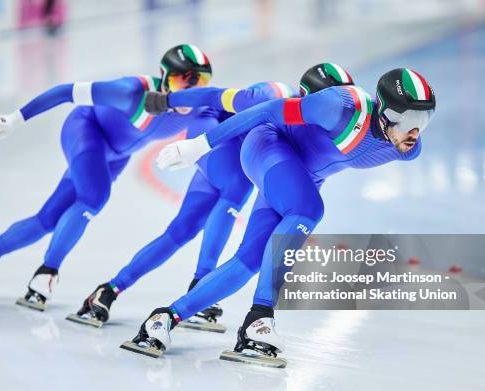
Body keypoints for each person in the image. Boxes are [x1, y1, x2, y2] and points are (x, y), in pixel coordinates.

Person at [122, 68, 436, 366]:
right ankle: (259, 318)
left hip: (295, 176)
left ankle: (164, 318)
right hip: (268, 146)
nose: (415, 130)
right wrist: (198, 144)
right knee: (308, 210)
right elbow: (264, 110)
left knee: (249, 261)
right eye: (408, 118)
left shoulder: (407, 147)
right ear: (383, 111)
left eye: (424, 119)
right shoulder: (339, 107)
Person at [0, 44, 215, 312]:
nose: (190, 90)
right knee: (94, 197)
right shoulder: (130, 92)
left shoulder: (201, 105)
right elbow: (66, 91)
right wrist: (14, 118)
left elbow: (240, 104)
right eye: (183, 81)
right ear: (164, 78)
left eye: (199, 82)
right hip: (86, 130)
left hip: (115, 156)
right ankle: (47, 272)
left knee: (48, 219)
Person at [69, 63, 353, 329]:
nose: (341, 116)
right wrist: (167, 102)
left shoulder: (323, 122)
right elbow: (214, 96)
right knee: (237, 187)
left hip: (228, 149)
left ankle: (109, 289)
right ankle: (201, 280)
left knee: (181, 230)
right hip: (213, 133)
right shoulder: (272, 96)